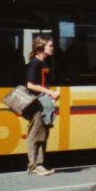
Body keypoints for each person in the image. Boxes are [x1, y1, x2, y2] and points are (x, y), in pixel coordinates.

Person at [24, 35, 59, 175]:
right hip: (37, 102)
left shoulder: (44, 63)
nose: (52, 48)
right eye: (50, 45)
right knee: (36, 133)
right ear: (40, 47)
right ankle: (33, 165)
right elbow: (30, 84)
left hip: (43, 101)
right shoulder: (35, 63)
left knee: (43, 133)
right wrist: (49, 92)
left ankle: (40, 163)